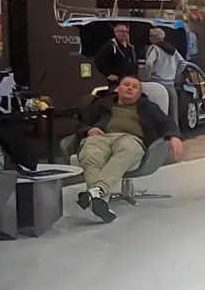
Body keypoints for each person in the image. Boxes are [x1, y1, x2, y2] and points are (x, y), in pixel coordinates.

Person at [73, 76, 183, 223]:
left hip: (130, 139)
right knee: (90, 152)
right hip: (101, 138)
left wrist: (174, 136)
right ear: (118, 89)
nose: (130, 88)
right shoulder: (102, 104)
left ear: (140, 93)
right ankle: (99, 199)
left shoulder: (148, 107)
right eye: (126, 85)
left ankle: (97, 191)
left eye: (135, 87)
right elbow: (81, 122)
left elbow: (167, 123)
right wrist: (89, 129)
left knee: (127, 150)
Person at [142, 27, 187, 127]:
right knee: (173, 111)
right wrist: (175, 74)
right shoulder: (173, 50)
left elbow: (149, 63)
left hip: (157, 83)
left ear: (154, 37)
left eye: (150, 36)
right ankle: (174, 130)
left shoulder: (154, 48)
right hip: (170, 83)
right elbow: (183, 63)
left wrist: (148, 76)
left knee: (160, 111)